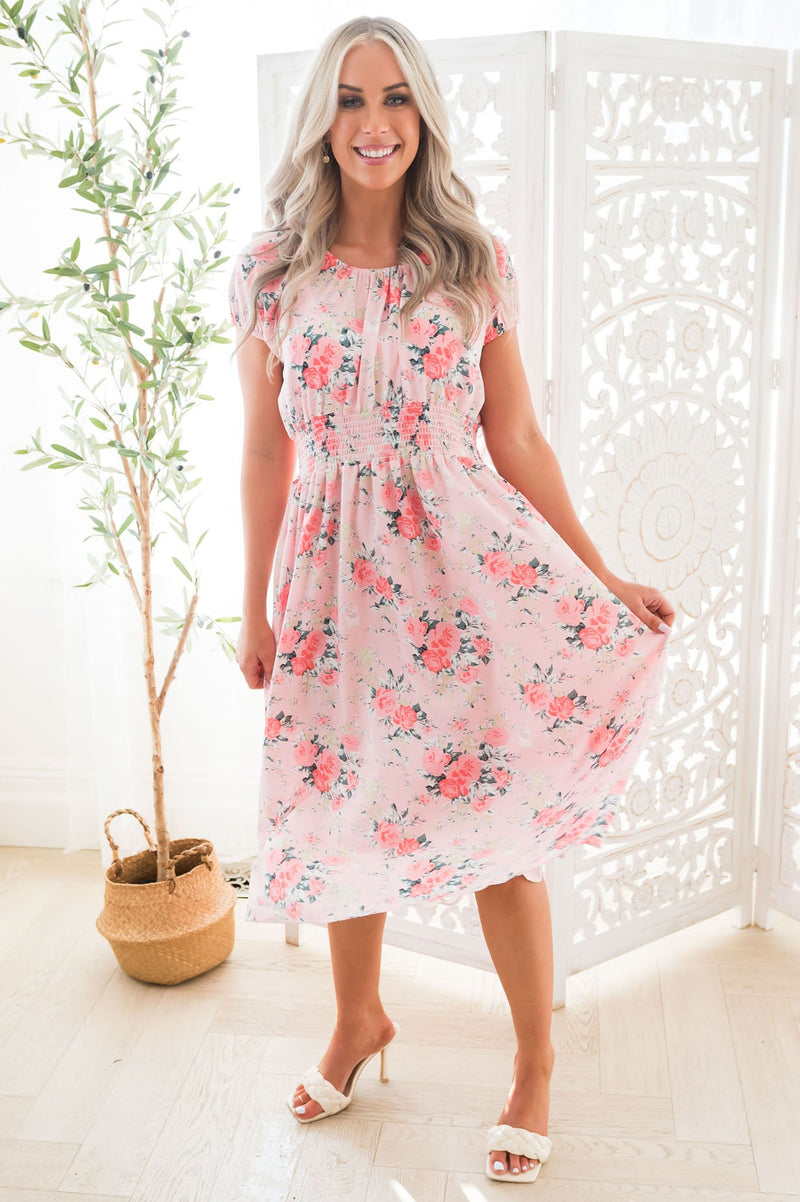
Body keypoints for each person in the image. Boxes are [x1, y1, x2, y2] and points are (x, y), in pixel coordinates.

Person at [229, 15, 674, 1184]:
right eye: (349, 99)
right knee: (344, 802)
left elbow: (514, 436)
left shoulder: (473, 261)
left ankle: (533, 1059)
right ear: (321, 120)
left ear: (422, 117)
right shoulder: (272, 271)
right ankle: (356, 1018)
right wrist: (253, 603)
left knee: (497, 818)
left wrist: (597, 572)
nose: (372, 123)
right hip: (328, 582)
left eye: (394, 99)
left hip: (458, 576)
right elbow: (266, 451)